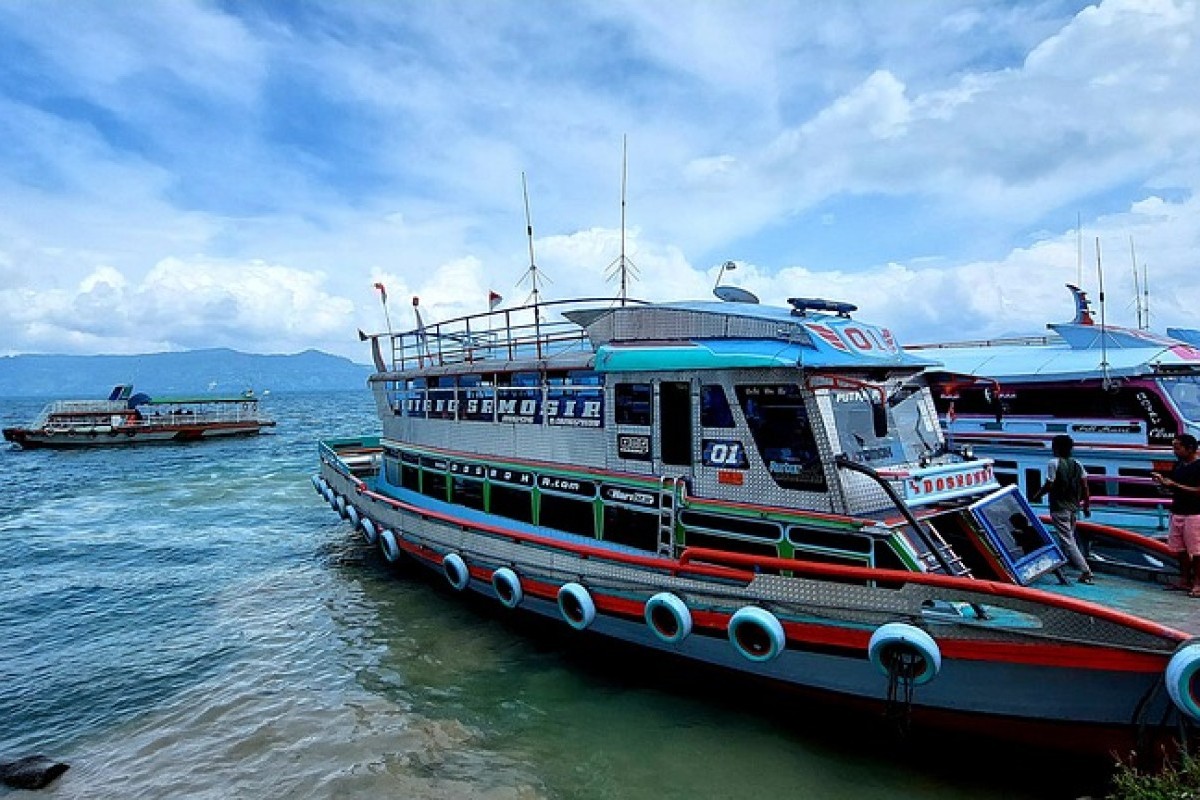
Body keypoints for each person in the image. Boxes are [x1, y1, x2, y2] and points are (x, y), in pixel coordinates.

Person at [1030, 434, 1095, 584]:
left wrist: (1037, 495)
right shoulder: (1077, 464)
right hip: (1074, 507)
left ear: (1056, 448)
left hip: (1059, 507)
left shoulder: (1054, 463)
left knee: (1067, 540)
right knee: (1069, 537)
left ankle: (1086, 571)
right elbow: (1085, 486)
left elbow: (1050, 484)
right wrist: (1086, 506)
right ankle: (1063, 565)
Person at [1151, 433, 1200, 597]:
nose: (1174, 451)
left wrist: (1174, 485)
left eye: (1177, 447)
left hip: (1194, 513)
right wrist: (1164, 484)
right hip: (1177, 510)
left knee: (1197, 551)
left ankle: (1197, 583)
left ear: (1190, 448)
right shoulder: (1178, 465)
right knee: (1179, 550)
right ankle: (1185, 579)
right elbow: (1175, 487)